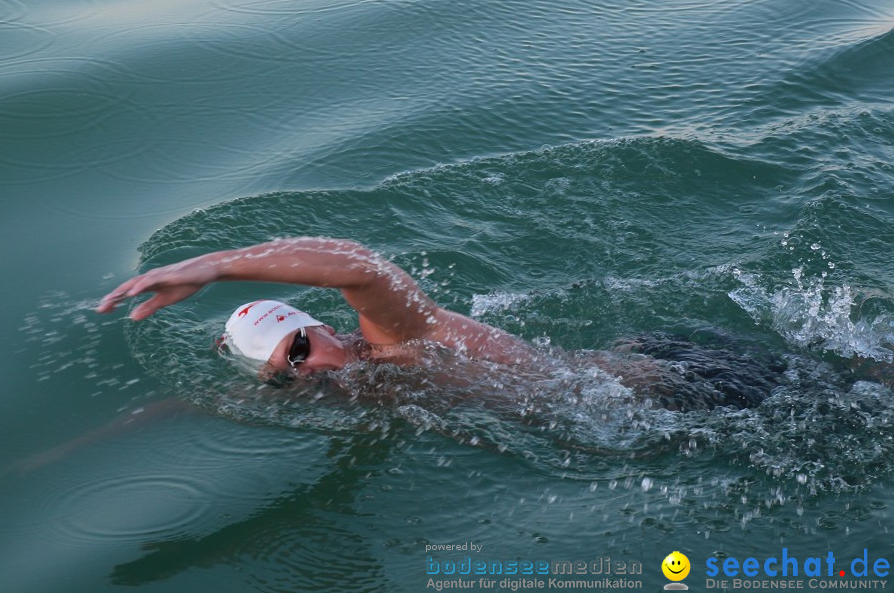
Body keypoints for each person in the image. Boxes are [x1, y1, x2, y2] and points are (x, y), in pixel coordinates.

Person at [97, 236, 784, 409]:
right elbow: (192, 407)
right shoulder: (357, 392)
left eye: (304, 343)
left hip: (684, 386)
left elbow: (362, 267)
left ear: (326, 328)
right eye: (289, 367)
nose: (311, 364)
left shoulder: (403, 340)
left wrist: (218, 265)